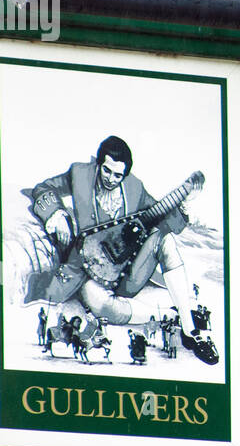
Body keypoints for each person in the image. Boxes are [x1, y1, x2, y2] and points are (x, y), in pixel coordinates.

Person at [26, 135, 217, 365]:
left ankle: (189, 330)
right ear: (99, 164)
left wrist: (185, 203)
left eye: (118, 175)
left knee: (165, 241)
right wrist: (55, 214)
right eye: (107, 171)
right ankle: (170, 315)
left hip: (125, 272)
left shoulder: (134, 188)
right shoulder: (80, 174)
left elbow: (162, 219)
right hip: (87, 270)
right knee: (102, 306)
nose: (111, 179)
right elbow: (43, 188)